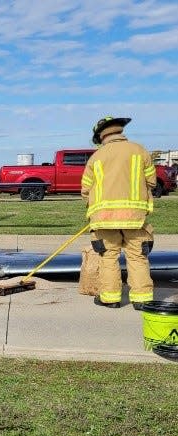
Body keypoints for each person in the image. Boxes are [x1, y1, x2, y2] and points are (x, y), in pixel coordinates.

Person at [81, 116, 155, 310]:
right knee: (137, 256)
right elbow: (152, 182)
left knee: (108, 257)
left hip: (104, 219)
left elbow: (86, 189)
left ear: (100, 136)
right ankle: (142, 299)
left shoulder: (96, 157)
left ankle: (110, 298)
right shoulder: (139, 151)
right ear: (120, 132)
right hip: (135, 218)